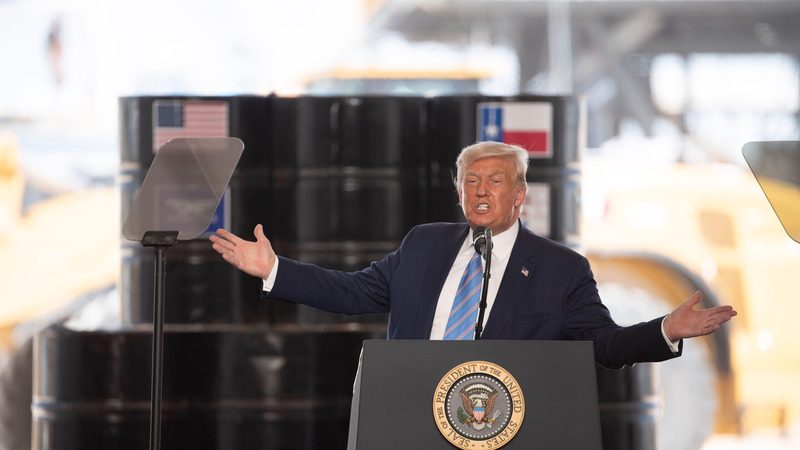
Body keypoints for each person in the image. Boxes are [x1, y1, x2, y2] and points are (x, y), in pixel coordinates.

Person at [210, 141, 736, 368]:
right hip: (413, 414)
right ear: (459, 192)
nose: (481, 191)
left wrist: (664, 330)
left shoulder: (561, 269)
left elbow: (602, 345)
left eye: (496, 181)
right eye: (471, 181)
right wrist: (274, 270)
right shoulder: (423, 245)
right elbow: (352, 293)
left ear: (520, 193)